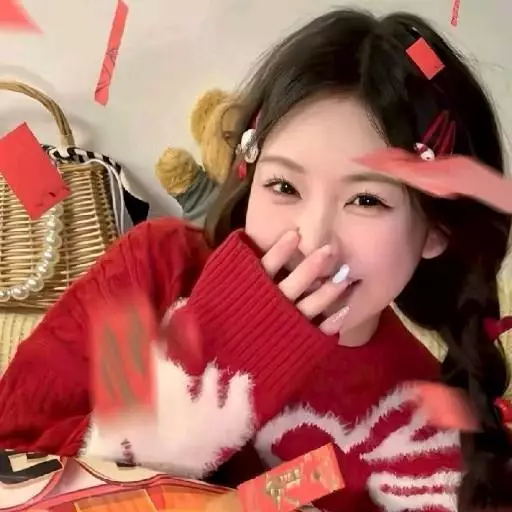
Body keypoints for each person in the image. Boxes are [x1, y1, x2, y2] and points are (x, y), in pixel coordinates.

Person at [1, 8, 511, 512]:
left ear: (437, 228)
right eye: (284, 186)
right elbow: (12, 449)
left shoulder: (425, 431)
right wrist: (200, 386)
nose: (311, 239)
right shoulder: (158, 268)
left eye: (366, 200)